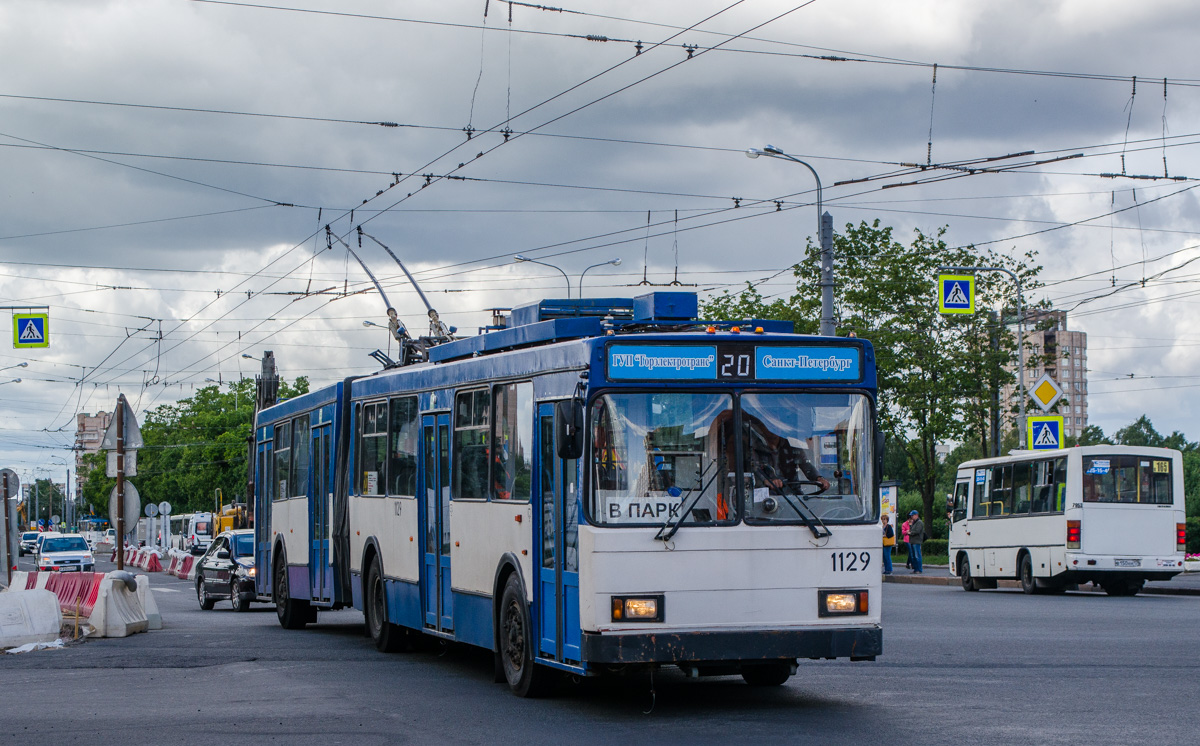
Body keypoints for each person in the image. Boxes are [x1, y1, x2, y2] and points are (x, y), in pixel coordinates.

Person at [908, 510, 925, 574]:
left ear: (916, 515)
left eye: (912, 515)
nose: (911, 517)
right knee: (914, 556)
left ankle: (919, 569)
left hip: (917, 541)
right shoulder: (914, 522)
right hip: (913, 541)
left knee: (917, 556)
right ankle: (915, 569)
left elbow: (917, 531)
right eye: (911, 516)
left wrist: (910, 533)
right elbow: (913, 530)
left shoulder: (919, 522)